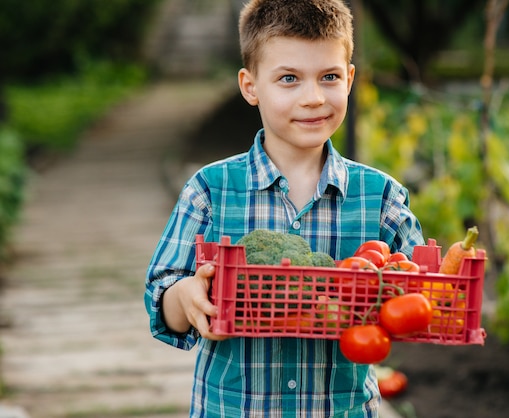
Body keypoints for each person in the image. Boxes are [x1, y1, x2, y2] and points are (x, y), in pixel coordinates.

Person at [145, 0, 425, 416]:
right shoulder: (209, 190)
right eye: (289, 79)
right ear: (250, 86)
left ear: (349, 79)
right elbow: (160, 293)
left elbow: (420, 287)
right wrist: (185, 296)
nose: (313, 98)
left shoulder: (380, 197)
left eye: (329, 77)